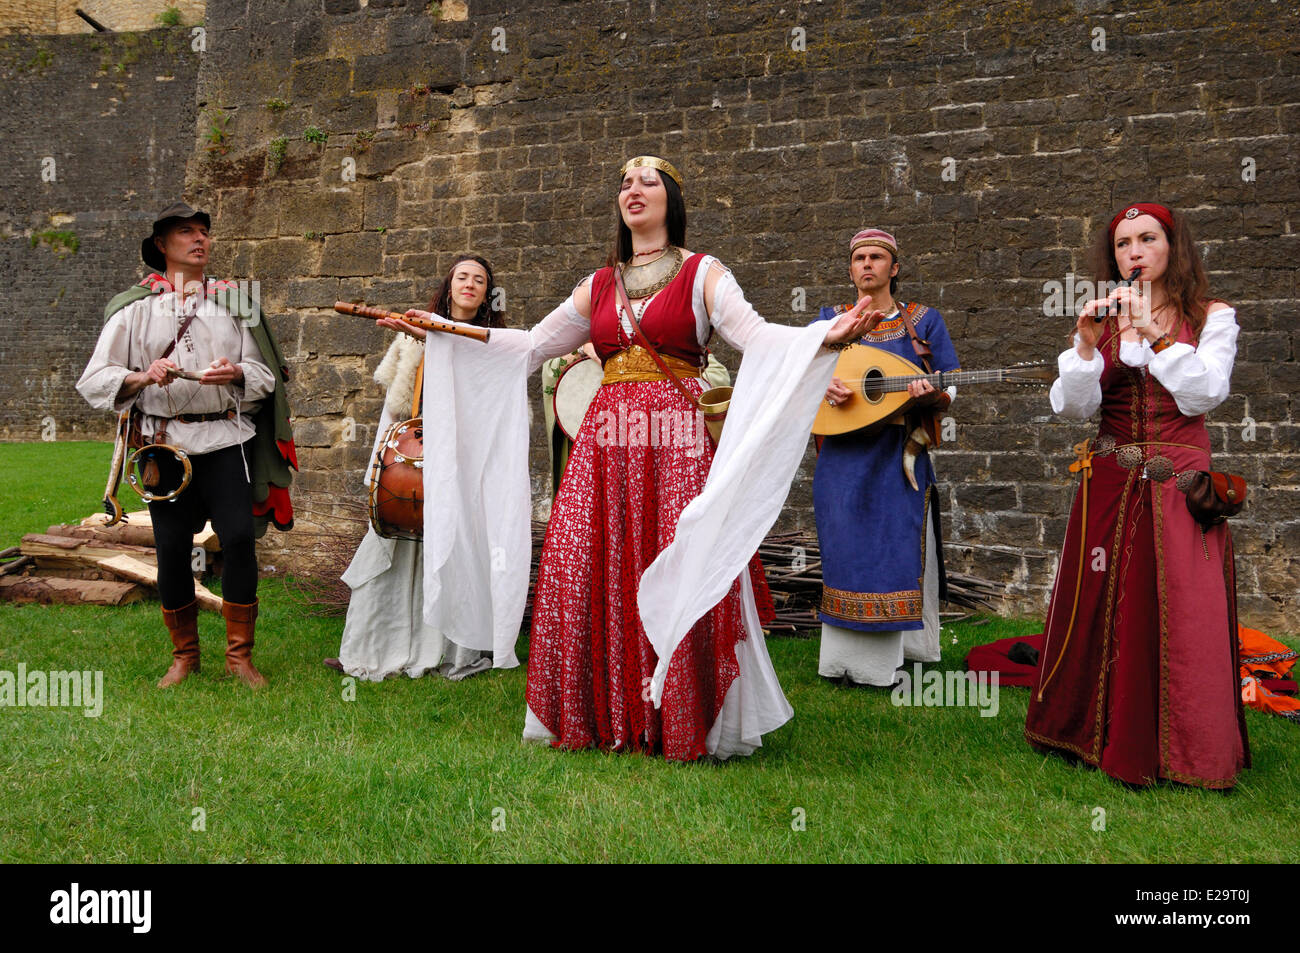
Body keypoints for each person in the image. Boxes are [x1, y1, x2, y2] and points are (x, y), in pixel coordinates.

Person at [517, 156, 874, 760]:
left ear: (671, 199)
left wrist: (823, 337)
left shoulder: (703, 272)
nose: (634, 190)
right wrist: (450, 336)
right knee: (579, 564)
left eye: (648, 182)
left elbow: (757, 337)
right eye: (625, 183)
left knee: (679, 557)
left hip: (675, 442)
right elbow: (530, 345)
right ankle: (600, 717)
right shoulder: (598, 283)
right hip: (604, 444)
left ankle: (678, 718)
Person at [1024, 202, 1248, 789]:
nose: (1134, 253)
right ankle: (1087, 734)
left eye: (1147, 239)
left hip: (1179, 487)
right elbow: (1074, 407)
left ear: (1173, 246)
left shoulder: (1212, 316)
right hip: (1110, 480)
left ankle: (1184, 752)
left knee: (1179, 610)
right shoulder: (1108, 320)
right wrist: (1083, 346)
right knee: (1099, 600)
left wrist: (1154, 333)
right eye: (1123, 244)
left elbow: (1205, 395)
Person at [77, 202, 296, 688]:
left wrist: (237, 372)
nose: (199, 239)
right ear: (162, 245)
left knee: (239, 538)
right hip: (166, 445)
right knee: (172, 548)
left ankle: (239, 658)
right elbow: (95, 380)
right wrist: (141, 375)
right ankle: (184, 657)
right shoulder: (134, 308)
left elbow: (268, 376)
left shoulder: (237, 302)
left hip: (226, 436)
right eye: (185, 232)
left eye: (203, 232)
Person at [327, 255, 508, 680]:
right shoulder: (413, 338)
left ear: (487, 295)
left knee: (454, 555)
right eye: (461, 276)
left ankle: (451, 653)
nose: (470, 284)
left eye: (479, 280)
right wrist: (380, 464)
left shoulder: (492, 343)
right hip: (410, 461)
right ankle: (370, 647)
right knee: (385, 545)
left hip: (460, 460)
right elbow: (394, 411)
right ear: (448, 286)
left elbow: (492, 412)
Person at [813, 229, 959, 687]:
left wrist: (930, 393)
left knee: (894, 546)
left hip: (898, 455)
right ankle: (841, 663)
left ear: (893, 268)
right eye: (859, 258)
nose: (867, 265)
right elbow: (800, 372)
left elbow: (950, 382)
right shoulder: (829, 319)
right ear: (851, 268)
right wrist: (822, 383)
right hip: (842, 454)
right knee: (844, 549)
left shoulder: (924, 322)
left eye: (877, 257)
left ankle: (892, 661)